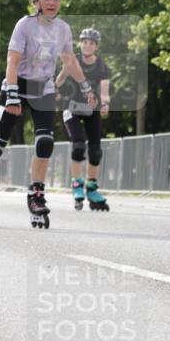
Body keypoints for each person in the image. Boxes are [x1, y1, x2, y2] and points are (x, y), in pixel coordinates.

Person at [0, 0, 97, 228]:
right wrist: (11, 95)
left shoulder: (63, 29)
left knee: (45, 142)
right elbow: (12, 61)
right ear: (37, 2)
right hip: (16, 85)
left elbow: (69, 61)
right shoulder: (25, 25)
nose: (52, 2)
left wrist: (85, 87)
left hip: (43, 90)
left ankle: (36, 196)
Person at [55, 27, 111, 211]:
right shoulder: (73, 61)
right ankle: (77, 185)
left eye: (91, 43)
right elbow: (61, 78)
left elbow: (104, 91)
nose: (87, 45)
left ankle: (92, 188)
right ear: (80, 44)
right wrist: (53, 89)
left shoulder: (102, 66)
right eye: (85, 42)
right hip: (71, 108)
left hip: (91, 110)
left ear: (96, 46)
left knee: (95, 151)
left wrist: (105, 103)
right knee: (79, 146)